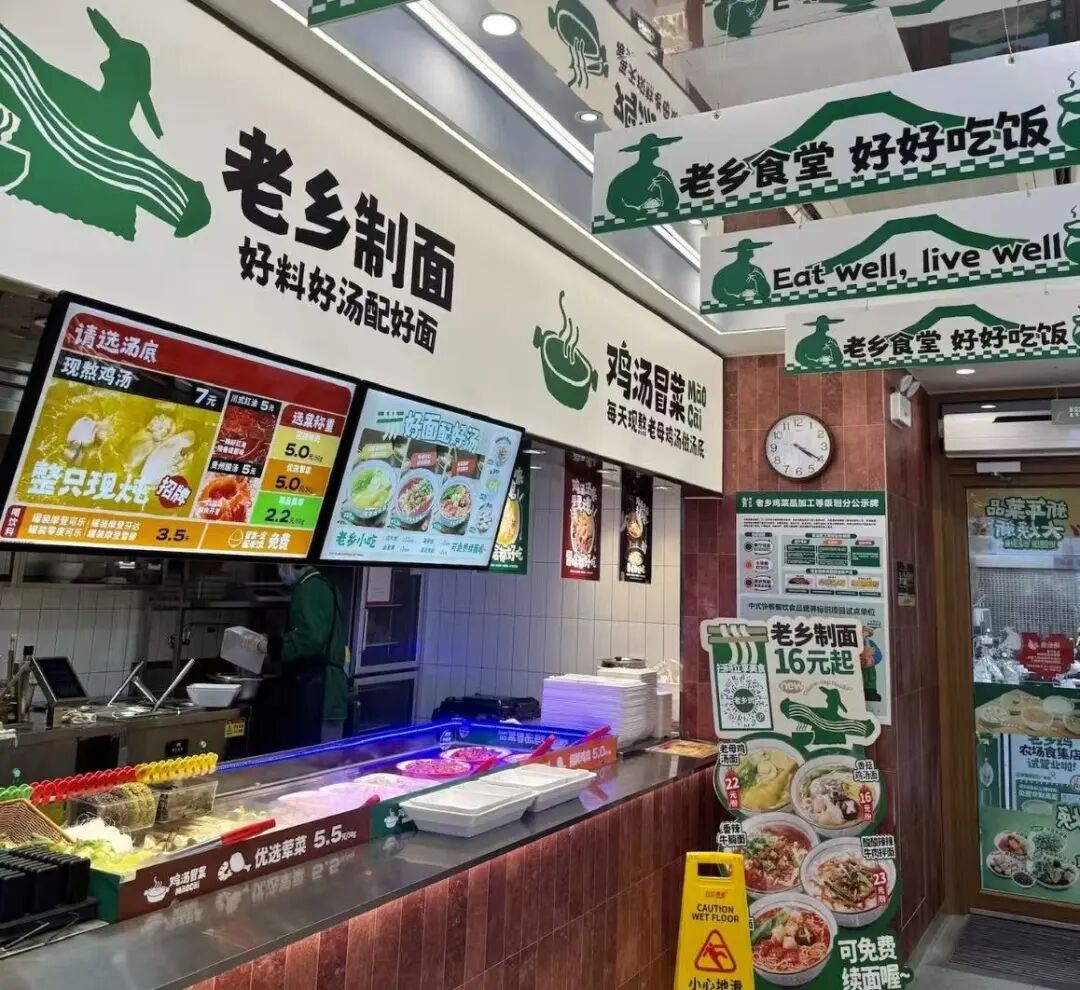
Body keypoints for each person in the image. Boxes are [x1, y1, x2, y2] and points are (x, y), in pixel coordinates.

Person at [267, 564, 348, 748]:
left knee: (314, 756)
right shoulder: (326, 585)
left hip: (319, 688)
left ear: (291, 564)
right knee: (326, 754)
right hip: (329, 685)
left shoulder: (309, 589)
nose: (280, 571)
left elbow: (310, 638)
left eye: (280, 564)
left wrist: (271, 647)